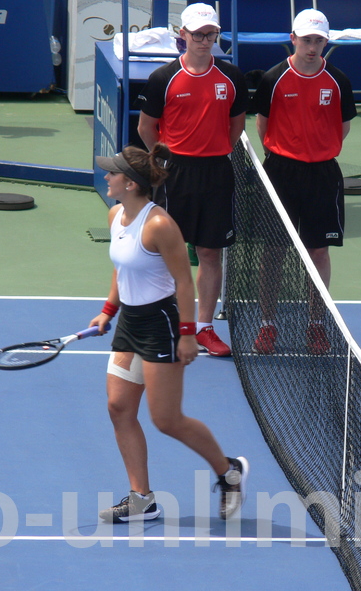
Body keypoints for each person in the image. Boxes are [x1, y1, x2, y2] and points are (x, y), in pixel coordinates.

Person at [90, 144, 248, 523]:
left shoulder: (159, 224)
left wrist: (188, 334)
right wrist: (108, 310)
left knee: (166, 420)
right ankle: (142, 499)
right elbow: (120, 268)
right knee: (119, 407)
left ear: (130, 183)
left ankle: (229, 472)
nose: (106, 177)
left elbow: (183, 283)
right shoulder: (116, 215)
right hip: (131, 321)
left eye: (112, 173)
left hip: (162, 324)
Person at [137, 2, 249, 357]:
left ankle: (203, 327)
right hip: (176, 174)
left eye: (211, 34)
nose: (205, 40)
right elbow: (146, 127)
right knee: (167, 252)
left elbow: (237, 125)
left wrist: (215, 152)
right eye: (198, 34)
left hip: (217, 171)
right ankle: (167, 321)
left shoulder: (231, 77)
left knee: (210, 252)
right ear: (182, 35)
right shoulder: (162, 78)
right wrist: (168, 161)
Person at [250, 9, 357, 355]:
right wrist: (284, 152)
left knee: (319, 250)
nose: (313, 47)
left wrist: (319, 150)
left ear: (327, 41)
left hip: (323, 174)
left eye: (319, 41)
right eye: (307, 40)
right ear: (293, 39)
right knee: (274, 251)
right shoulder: (273, 79)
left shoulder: (338, 80)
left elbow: (343, 127)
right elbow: (262, 126)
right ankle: (268, 324)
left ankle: (316, 325)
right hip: (281, 172)